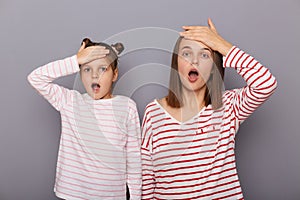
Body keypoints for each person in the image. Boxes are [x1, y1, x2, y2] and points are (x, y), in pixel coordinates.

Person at [141, 18, 277, 199]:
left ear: (214, 68)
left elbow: (266, 84)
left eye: (204, 55)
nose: (194, 61)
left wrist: (222, 45)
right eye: (187, 54)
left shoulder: (229, 107)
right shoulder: (153, 112)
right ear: (176, 64)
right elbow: (147, 178)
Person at [28, 38, 141, 199]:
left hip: (112, 195)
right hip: (73, 194)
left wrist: (136, 197)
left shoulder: (127, 107)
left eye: (102, 69)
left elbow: (134, 158)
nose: (94, 75)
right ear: (79, 73)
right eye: (87, 69)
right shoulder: (69, 101)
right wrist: (76, 60)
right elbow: (35, 78)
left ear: (114, 74)